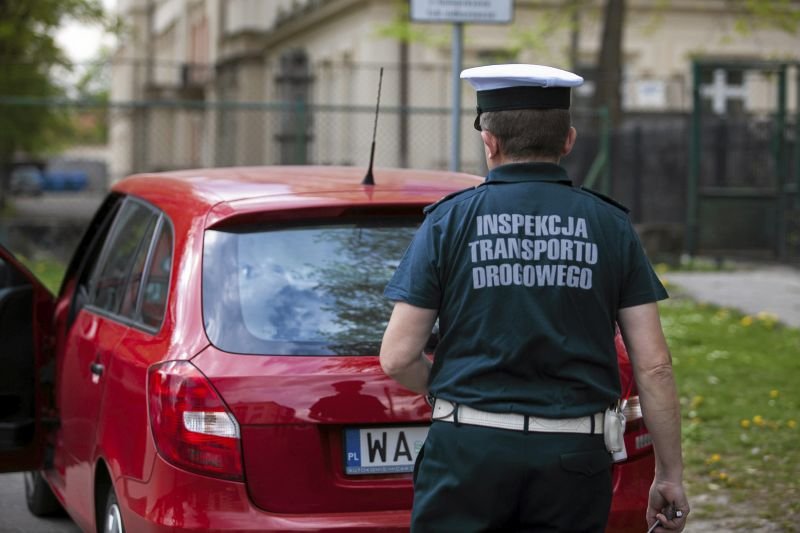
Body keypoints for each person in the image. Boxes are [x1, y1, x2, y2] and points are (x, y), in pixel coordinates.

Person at [379, 64, 689, 532]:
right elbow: (655, 366)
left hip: (466, 453)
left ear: (489, 142)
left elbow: (398, 357)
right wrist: (668, 474)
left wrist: (452, 391)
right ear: (568, 141)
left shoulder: (448, 221)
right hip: (573, 459)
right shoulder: (610, 225)